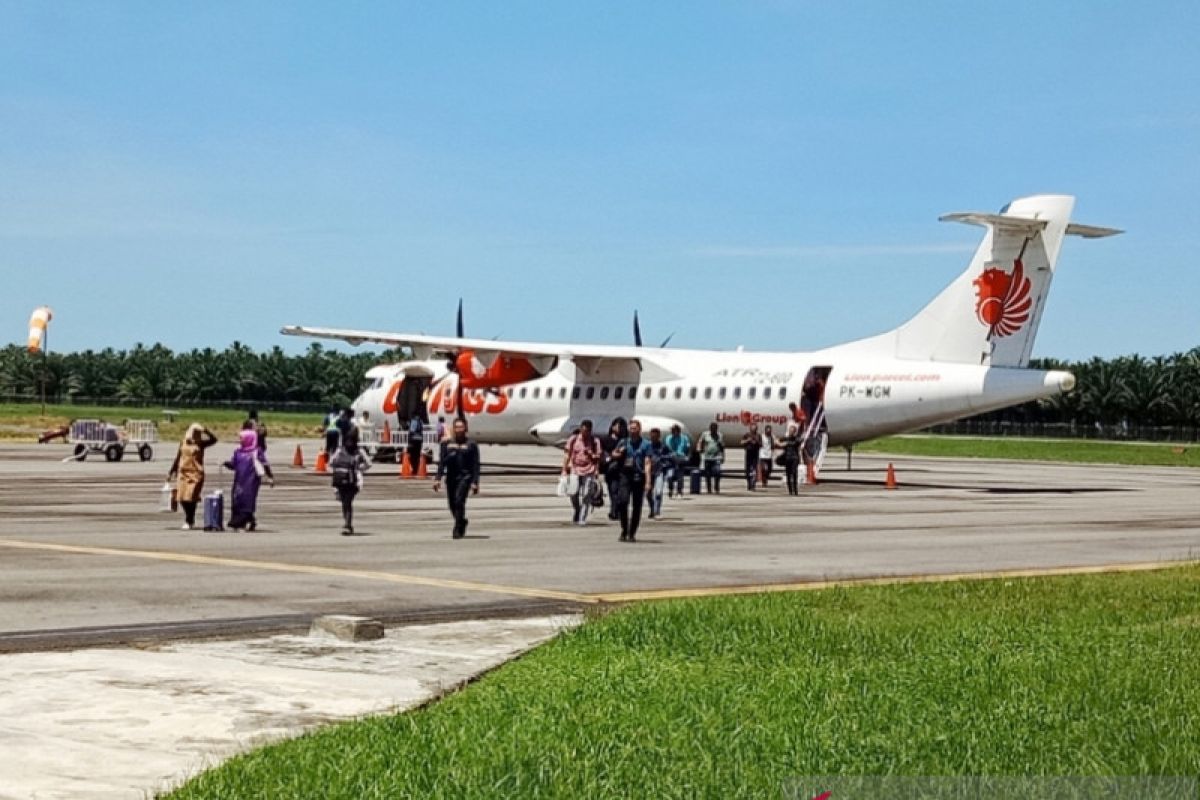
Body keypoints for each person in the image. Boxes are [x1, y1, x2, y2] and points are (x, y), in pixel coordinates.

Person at [434, 418, 480, 539]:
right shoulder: (447, 443)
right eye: (457, 427)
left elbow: (476, 464)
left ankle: (457, 528)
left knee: (459, 501)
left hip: (465, 477)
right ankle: (461, 521)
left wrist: (475, 482)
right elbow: (442, 462)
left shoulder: (471, 444)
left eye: (461, 427)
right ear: (453, 429)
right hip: (451, 477)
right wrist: (438, 478)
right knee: (452, 504)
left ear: (466, 428)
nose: (459, 429)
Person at [166, 424, 217, 531]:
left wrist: (205, 430)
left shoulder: (201, 443)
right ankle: (190, 518)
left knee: (191, 497)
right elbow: (178, 456)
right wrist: (171, 471)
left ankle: (189, 520)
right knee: (181, 497)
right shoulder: (183, 442)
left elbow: (214, 439)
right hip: (183, 472)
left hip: (196, 473)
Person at [224, 429, 274, 531]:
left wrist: (270, 477)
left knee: (247, 501)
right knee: (237, 500)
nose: (240, 440)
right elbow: (234, 465)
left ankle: (241, 522)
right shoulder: (237, 452)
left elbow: (265, 464)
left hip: (251, 481)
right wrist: (227, 464)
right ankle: (249, 520)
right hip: (239, 480)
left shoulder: (257, 452)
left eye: (242, 438)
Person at [612, 419, 653, 542]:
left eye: (635, 428)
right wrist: (618, 454)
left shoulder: (646, 444)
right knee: (623, 502)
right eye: (631, 428)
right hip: (625, 475)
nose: (632, 430)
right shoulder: (623, 442)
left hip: (638, 477)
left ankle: (632, 532)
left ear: (639, 430)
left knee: (637, 506)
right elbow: (614, 453)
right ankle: (624, 528)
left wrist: (648, 481)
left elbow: (647, 463)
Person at [560, 419, 602, 526]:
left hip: (589, 470)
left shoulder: (594, 441)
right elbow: (567, 454)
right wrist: (564, 469)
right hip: (575, 469)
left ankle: (582, 517)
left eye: (587, 431)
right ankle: (577, 509)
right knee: (573, 493)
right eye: (583, 431)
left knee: (587, 494)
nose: (585, 434)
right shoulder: (573, 439)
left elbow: (598, 457)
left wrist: (591, 455)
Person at [330, 429, 371, 535]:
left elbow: (331, 462)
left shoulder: (345, 450)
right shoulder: (353, 450)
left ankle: (347, 524)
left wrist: (357, 468)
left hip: (352, 481)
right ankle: (347, 523)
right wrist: (359, 468)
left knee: (347, 502)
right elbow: (368, 464)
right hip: (344, 480)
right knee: (345, 503)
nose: (350, 443)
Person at [600, 417, 628, 520]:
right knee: (613, 491)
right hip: (611, 470)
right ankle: (614, 511)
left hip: (623, 470)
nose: (619, 428)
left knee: (622, 493)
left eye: (622, 426)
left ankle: (617, 511)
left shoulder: (625, 441)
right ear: (612, 426)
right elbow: (602, 453)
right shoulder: (605, 439)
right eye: (617, 426)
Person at [646, 427, 671, 519]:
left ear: (659, 436)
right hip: (649, 472)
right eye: (652, 436)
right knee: (648, 493)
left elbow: (669, 457)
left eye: (655, 436)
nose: (654, 438)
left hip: (659, 471)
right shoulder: (647, 446)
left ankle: (657, 511)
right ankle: (652, 508)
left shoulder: (664, 446)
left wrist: (664, 461)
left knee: (658, 492)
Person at [664, 424, 691, 498]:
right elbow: (666, 448)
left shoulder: (684, 438)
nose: (672, 431)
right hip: (671, 459)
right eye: (672, 430)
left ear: (678, 430)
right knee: (670, 476)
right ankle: (670, 489)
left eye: (674, 430)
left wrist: (687, 456)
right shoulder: (668, 438)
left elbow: (688, 448)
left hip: (680, 458)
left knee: (680, 476)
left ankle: (679, 491)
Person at [697, 422, 725, 494]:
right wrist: (700, 449)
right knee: (708, 474)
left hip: (717, 457)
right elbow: (700, 442)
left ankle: (716, 486)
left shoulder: (719, 435)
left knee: (717, 472)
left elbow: (722, 447)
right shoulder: (705, 434)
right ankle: (709, 488)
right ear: (710, 429)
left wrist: (723, 456)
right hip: (707, 457)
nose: (714, 431)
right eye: (712, 429)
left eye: (715, 429)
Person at [778, 422, 803, 495]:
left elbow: (799, 441)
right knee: (788, 474)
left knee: (794, 473)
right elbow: (777, 441)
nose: (791, 432)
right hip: (787, 458)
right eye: (790, 431)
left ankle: (795, 490)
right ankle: (790, 491)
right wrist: (780, 444)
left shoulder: (796, 439)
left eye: (792, 431)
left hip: (794, 458)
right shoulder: (785, 438)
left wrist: (787, 443)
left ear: (795, 432)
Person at [741, 423, 762, 491]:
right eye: (752, 428)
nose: (754, 429)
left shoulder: (758, 435)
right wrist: (748, 440)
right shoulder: (747, 435)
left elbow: (761, 444)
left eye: (755, 428)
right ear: (750, 428)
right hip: (748, 453)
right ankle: (749, 483)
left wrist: (756, 441)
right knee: (748, 470)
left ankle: (753, 485)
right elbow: (741, 442)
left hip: (755, 454)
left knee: (754, 470)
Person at [760, 424, 776, 489]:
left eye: (770, 431)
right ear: (765, 430)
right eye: (767, 430)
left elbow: (774, 444)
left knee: (769, 469)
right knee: (764, 469)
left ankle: (766, 478)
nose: (769, 432)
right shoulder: (761, 436)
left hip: (769, 455)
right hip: (762, 455)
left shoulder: (772, 437)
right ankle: (764, 481)